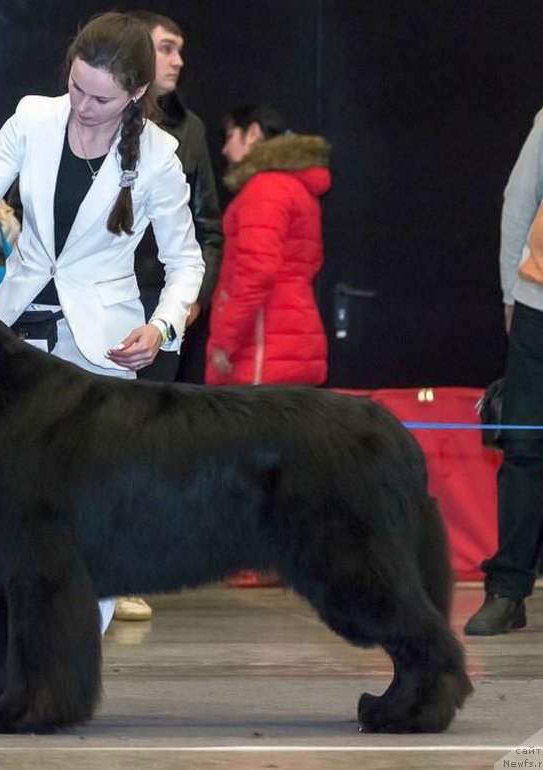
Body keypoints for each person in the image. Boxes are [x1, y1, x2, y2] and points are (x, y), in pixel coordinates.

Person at [0, 12, 205, 635]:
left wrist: (161, 330)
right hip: (15, 336)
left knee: (90, 512)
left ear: (136, 92)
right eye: (76, 87)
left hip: (102, 345)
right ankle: (18, 647)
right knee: (9, 503)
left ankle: (72, 652)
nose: (82, 105)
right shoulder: (32, 116)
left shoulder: (160, 156)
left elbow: (185, 261)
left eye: (101, 97)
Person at [110, 10, 223, 623]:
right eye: (166, 49)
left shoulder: (191, 130)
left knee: (149, 444)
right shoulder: (87, 118)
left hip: (163, 306)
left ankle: (133, 572)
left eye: (181, 50)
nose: (177, 61)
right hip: (99, 304)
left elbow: (208, 223)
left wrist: (190, 297)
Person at [206, 104, 330, 588]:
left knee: (253, 457)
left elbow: (254, 273)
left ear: (253, 133)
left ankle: (262, 558)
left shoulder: (265, 188)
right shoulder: (296, 186)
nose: (223, 148)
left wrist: (223, 341)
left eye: (230, 135)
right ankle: (287, 555)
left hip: (263, 341)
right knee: (287, 458)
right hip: (291, 332)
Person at [464, 102, 543, 635]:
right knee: (523, 449)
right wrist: (509, 294)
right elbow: (519, 202)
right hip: (541, 305)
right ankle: (506, 591)